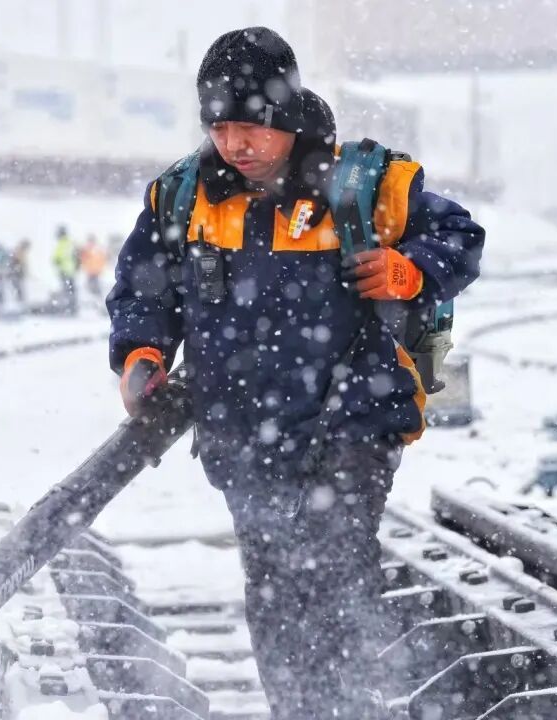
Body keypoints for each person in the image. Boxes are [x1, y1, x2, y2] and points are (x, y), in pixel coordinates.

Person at [106, 27, 484, 720]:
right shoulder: (183, 199)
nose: (234, 144)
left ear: (284, 116)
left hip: (353, 423)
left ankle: (349, 707)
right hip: (241, 433)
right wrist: (141, 355)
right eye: (219, 127)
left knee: (337, 575)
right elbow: (144, 292)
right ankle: (304, 709)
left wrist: (409, 271)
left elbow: (459, 237)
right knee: (275, 587)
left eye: (249, 126)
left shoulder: (368, 188)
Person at [51, 225, 79, 315]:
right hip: (71, 271)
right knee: (71, 290)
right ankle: (72, 308)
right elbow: (76, 256)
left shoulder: (62, 244)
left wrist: (56, 261)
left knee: (67, 290)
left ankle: (69, 309)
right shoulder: (70, 242)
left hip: (64, 271)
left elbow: (57, 258)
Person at [79, 234, 108, 299]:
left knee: (92, 287)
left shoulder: (88, 249)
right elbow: (103, 260)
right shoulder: (97, 249)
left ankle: (96, 298)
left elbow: (83, 259)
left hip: (92, 272)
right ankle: (97, 298)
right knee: (94, 287)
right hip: (94, 272)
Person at [9, 239, 31, 303]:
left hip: (18, 274)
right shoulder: (18, 251)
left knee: (19, 289)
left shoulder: (20, 251)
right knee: (18, 289)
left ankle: (20, 301)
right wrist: (18, 268)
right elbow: (17, 262)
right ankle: (19, 302)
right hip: (15, 274)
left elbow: (22, 263)